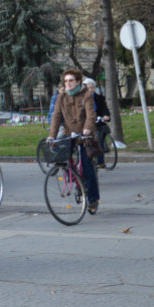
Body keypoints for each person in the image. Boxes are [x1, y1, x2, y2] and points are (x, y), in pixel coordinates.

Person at [47, 69, 99, 210]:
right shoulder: (61, 96)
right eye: (66, 81)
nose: (68, 83)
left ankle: (93, 198)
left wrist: (88, 128)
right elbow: (56, 117)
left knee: (87, 167)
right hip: (69, 134)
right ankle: (74, 178)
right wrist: (52, 135)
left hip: (84, 136)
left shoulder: (86, 95)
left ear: (77, 82)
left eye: (71, 80)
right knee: (63, 157)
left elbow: (91, 114)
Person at [84, 78, 111, 168]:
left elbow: (104, 109)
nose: (90, 90)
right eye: (88, 88)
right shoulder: (81, 100)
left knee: (99, 139)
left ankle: (101, 162)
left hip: (98, 123)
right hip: (87, 124)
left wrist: (105, 116)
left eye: (92, 88)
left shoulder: (100, 99)